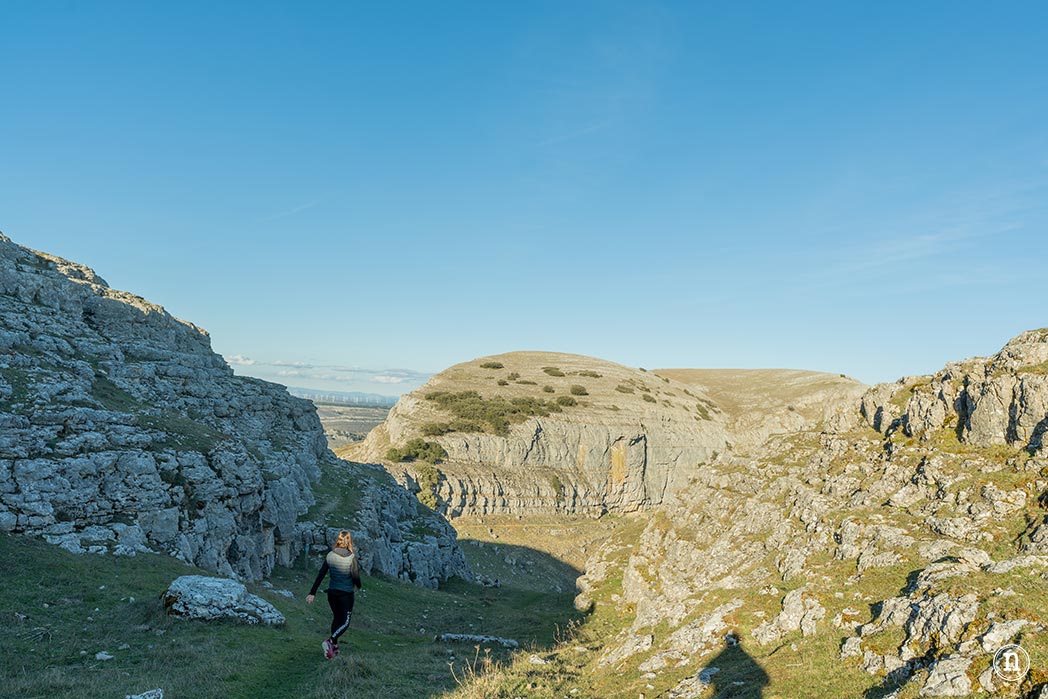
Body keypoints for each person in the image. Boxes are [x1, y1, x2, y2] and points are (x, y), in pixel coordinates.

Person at [306, 529, 362, 659]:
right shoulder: (351, 557)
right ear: (349, 541)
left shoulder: (330, 555)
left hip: (332, 594)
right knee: (345, 621)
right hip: (346, 595)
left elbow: (321, 575)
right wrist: (358, 585)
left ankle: (334, 648)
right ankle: (330, 641)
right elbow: (356, 578)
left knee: (337, 618)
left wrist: (312, 593)